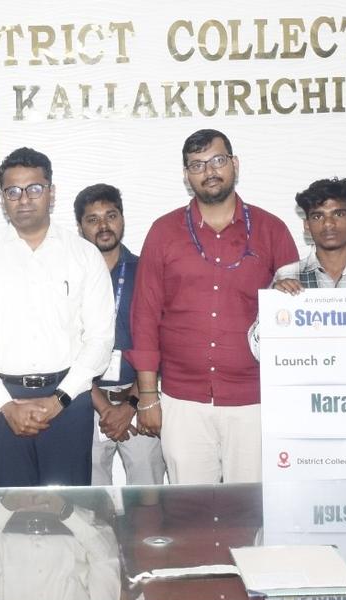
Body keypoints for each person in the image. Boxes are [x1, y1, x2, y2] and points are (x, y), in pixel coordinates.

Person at [128, 129, 299, 485]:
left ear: (235, 164)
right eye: (197, 165)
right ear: (186, 175)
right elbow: (145, 316)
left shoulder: (272, 230)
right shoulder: (163, 232)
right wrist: (148, 397)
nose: (209, 172)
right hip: (182, 399)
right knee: (190, 511)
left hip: (254, 399)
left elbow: (296, 317)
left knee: (252, 507)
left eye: (218, 160)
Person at [0, 147, 114, 487]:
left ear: (51, 193)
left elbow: (100, 339)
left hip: (69, 398)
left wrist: (60, 399)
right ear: (3, 199)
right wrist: (5, 405)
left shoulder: (84, 255)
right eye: (13, 191)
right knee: (13, 508)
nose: (24, 199)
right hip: (0, 401)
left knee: (69, 508)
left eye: (34, 189)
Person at [249, 177, 346, 359]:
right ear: (307, 226)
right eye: (317, 216)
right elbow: (259, 351)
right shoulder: (288, 275)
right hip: (311, 375)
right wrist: (274, 307)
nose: (328, 224)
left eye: (338, 214)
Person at [73, 184, 166, 486]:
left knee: (149, 501)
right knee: (89, 505)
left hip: (140, 400)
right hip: (85, 403)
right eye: (93, 219)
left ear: (122, 219)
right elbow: (65, 346)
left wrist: (130, 406)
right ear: (80, 226)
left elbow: (160, 341)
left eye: (111, 216)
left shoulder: (146, 272)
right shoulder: (70, 277)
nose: (103, 225)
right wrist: (104, 408)